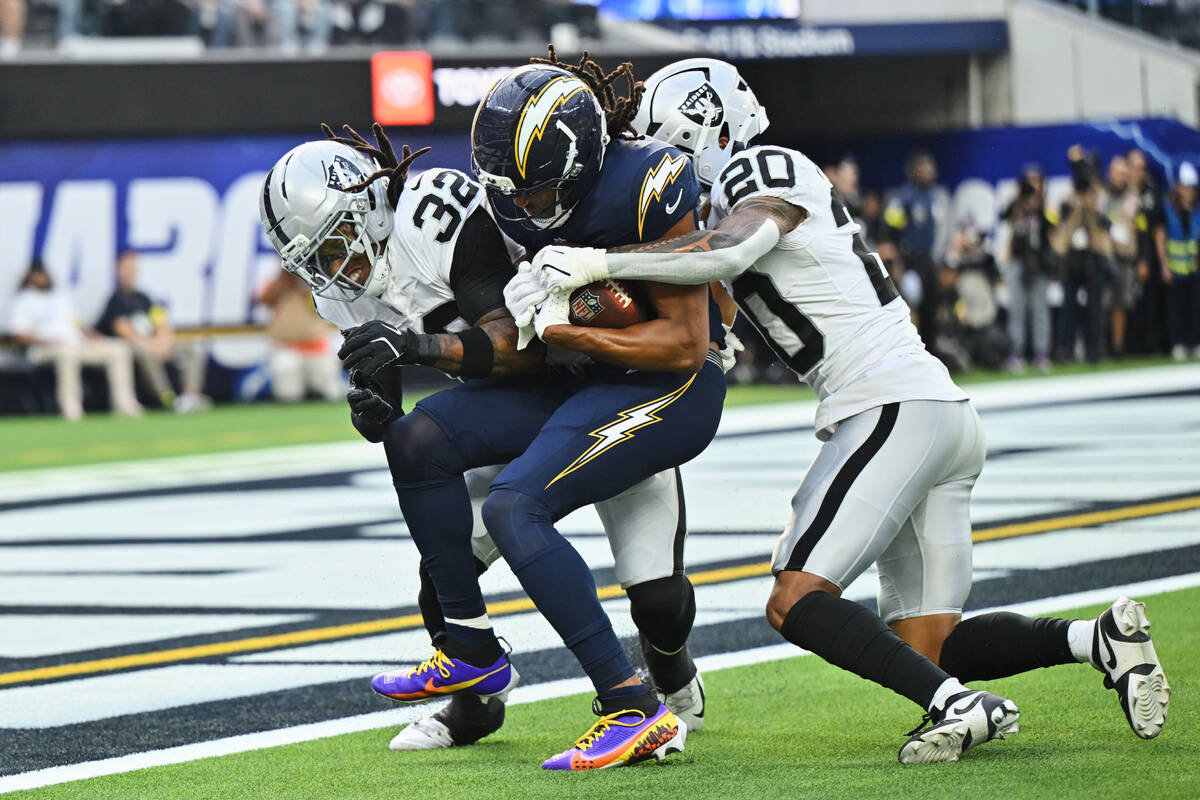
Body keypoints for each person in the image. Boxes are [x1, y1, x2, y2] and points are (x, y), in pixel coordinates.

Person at [524, 57, 1171, 763]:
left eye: (664, 143)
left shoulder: (754, 169)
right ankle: (1097, 639)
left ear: (706, 130)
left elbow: (730, 250)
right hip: (930, 409)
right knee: (928, 645)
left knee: (793, 598)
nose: (659, 163)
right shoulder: (725, 203)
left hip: (888, 403)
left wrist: (603, 265)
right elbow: (714, 294)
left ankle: (957, 706)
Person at [260, 102, 719, 769]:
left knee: (658, 601)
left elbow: (520, 348)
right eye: (314, 260)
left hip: (587, 381)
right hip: (525, 404)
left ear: (371, 212)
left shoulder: (433, 218)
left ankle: (666, 673)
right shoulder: (339, 289)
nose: (333, 268)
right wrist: (376, 407)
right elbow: (387, 378)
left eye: (336, 244)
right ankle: (474, 687)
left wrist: (415, 347)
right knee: (428, 497)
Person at [8, 259, 143, 420]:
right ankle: (71, 406)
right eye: (37, 275)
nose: (41, 278)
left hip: (76, 343)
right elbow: (19, 335)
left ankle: (124, 403)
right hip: (43, 349)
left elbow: (77, 323)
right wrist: (48, 341)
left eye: (43, 274)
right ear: (29, 277)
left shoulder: (60, 296)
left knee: (118, 349)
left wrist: (91, 336)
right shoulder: (24, 299)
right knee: (67, 354)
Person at [97, 250, 212, 412]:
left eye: (133, 267)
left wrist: (163, 342)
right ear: (118, 270)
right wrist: (151, 345)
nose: (131, 271)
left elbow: (161, 322)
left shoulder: (144, 297)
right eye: (127, 267)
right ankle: (167, 398)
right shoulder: (116, 299)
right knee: (146, 352)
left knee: (191, 347)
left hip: (153, 343)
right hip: (133, 346)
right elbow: (124, 330)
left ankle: (191, 396)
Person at [883, 149, 951, 354]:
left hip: (928, 260)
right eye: (925, 168)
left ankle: (931, 351)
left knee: (932, 306)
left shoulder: (934, 197)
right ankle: (911, 352)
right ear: (915, 170)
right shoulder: (903, 198)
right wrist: (897, 264)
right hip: (909, 260)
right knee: (911, 306)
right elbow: (889, 232)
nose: (930, 172)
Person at [1051, 145, 1114, 363]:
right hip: (1073, 256)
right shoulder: (1068, 194)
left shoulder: (1100, 194)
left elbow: (1106, 223)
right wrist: (1075, 200)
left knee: (1095, 305)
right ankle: (1063, 349)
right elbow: (1061, 220)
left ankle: (1094, 349)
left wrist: (1092, 202)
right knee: (1068, 304)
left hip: (1094, 254)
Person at [1000, 164, 1056, 373]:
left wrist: (1039, 206)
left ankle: (1042, 354)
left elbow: (1052, 224)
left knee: (1040, 308)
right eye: (1029, 182)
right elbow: (1002, 216)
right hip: (1017, 261)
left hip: (1039, 263)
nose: (1033, 186)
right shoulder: (1017, 205)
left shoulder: (1046, 206)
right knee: (1017, 308)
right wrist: (1018, 200)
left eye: (1037, 181)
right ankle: (1016, 353)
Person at [256, 270, 343, 403]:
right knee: (288, 392)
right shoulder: (279, 283)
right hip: (286, 347)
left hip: (317, 346)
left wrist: (305, 284)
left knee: (330, 390)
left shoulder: (316, 282)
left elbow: (325, 305)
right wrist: (283, 280)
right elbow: (263, 300)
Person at [1154, 161, 1200, 360]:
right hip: (1174, 266)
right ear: (1178, 187)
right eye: (1186, 187)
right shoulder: (1168, 208)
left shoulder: (1197, 210)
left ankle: (1195, 343)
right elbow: (1160, 236)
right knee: (1176, 308)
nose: (1190, 192)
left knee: (1195, 307)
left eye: (1193, 188)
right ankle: (1178, 344)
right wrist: (1164, 265)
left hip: (1194, 268)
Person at [1104, 155, 1140, 357]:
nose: (1121, 177)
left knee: (1121, 303)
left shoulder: (1132, 196)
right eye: (1118, 173)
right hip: (1105, 254)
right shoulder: (1102, 193)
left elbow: (1133, 226)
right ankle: (1102, 344)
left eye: (1124, 174)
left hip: (1125, 255)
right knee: (1104, 302)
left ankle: (1118, 346)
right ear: (1110, 173)